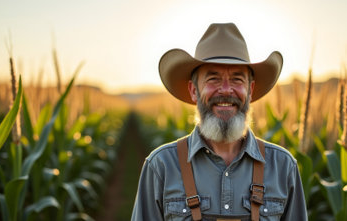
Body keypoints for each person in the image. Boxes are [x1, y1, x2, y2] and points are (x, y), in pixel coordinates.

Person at [131, 23, 307, 221]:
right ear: (193, 90)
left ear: (250, 90)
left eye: (237, 79)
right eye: (213, 79)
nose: (225, 90)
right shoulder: (161, 166)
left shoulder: (284, 167)